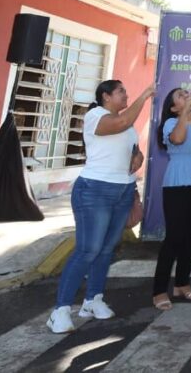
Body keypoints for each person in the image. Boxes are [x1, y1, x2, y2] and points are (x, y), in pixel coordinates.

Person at [47, 79, 155, 334]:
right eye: (121, 92)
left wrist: (137, 158)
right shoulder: (96, 115)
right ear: (106, 96)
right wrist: (145, 94)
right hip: (95, 190)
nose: (126, 95)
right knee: (88, 249)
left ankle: (92, 300)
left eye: (127, 92)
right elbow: (121, 123)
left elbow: (134, 151)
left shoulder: (127, 125)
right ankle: (60, 310)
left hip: (123, 190)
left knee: (106, 249)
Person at [152, 86, 191, 311]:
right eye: (180, 95)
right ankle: (159, 290)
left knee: (190, 237)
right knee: (174, 237)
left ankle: (182, 283)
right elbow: (177, 140)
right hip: (178, 183)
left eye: (187, 92)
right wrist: (184, 116)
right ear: (173, 107)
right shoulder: (171, 124)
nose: (186, 95)